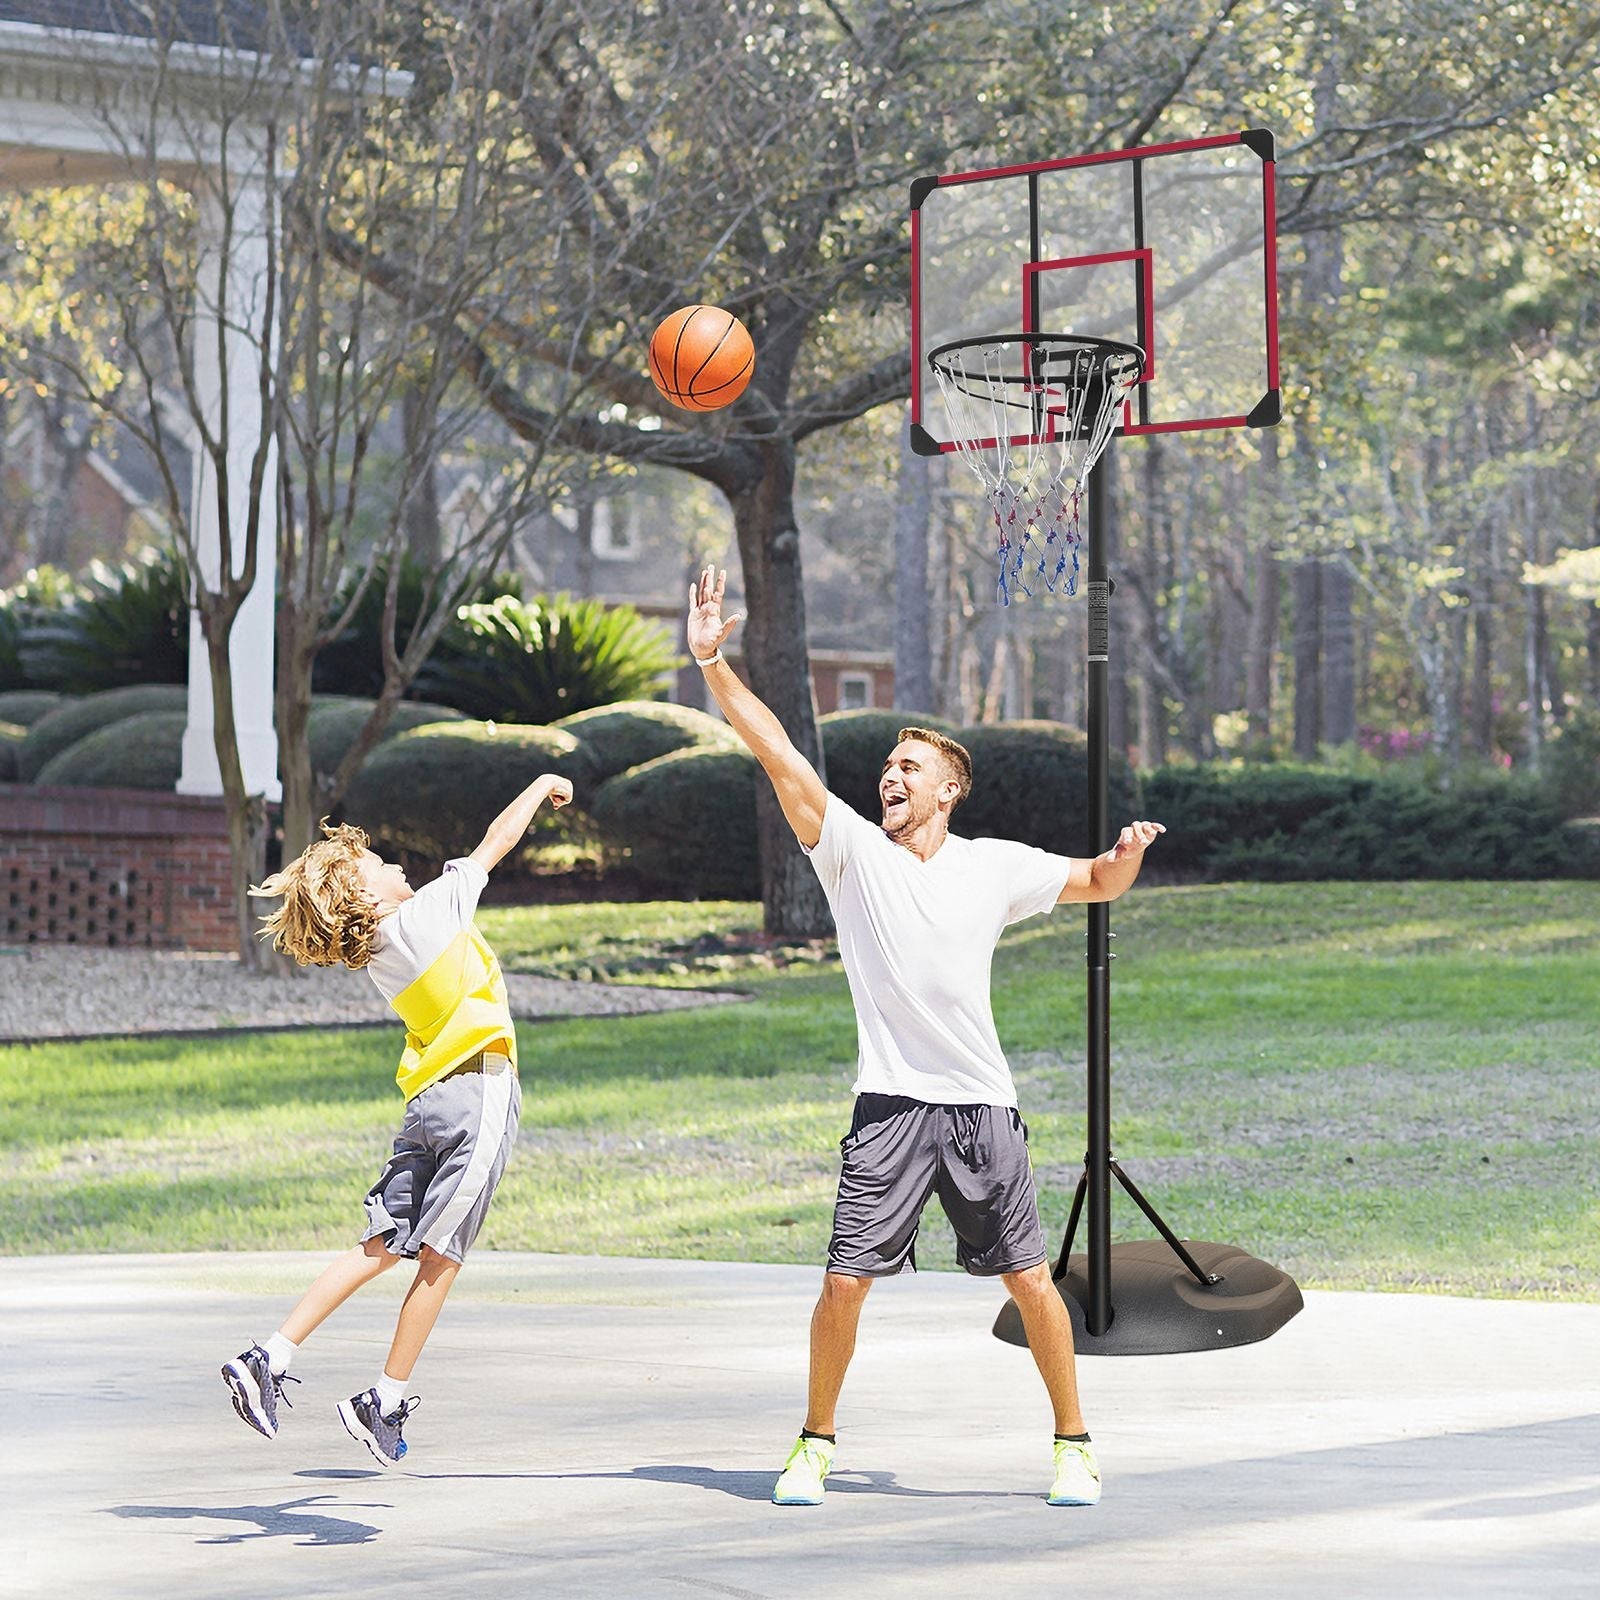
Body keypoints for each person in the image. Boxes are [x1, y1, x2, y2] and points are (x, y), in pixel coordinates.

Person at [686, 566, 1163, 1509]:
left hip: (982, 1106)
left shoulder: (997, 867)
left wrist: (1124, 859)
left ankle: (1075, 1444)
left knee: (1030, 1283)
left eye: (909, 769)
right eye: (888, 768)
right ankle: (814, 1443)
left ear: (950, 790)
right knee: (842, 1285)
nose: (889, 777)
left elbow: (1099, 886)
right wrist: (712, 662)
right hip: (892, 1106)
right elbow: (780, 754)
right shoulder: (852, 853)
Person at [219, 773, 573, 1466]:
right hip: (479, 1097)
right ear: (364, 895)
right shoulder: (428, 916)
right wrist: (538, 786)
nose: (395, 863)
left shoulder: (379, 955)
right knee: (441, 1258)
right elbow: (496, 842)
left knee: (381, 1241)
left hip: (428, 1107)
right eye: (379, 865)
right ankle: (382, 1399)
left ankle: (269, 1354)